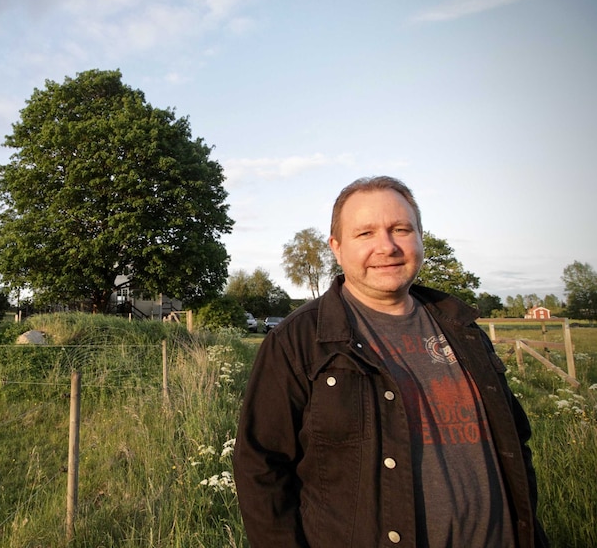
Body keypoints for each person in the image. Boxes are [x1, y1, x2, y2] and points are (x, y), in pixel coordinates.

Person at [233, 176, 548, 547]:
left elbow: (515, 439)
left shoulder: (463, 328)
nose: (387, 247)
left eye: (400, 229)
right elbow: (260, 468)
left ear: (420, 239)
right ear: (336, 247)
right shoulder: (298, 340)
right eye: (365, 234)